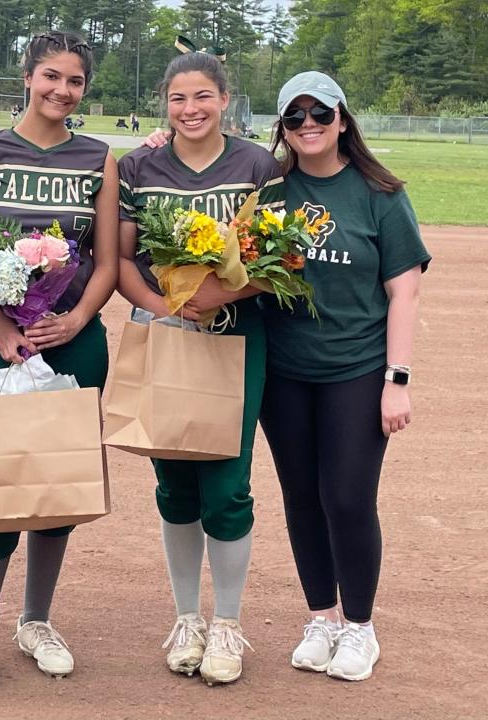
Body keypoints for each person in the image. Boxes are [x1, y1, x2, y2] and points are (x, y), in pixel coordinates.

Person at [0, 29, 118, 693]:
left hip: (73, 339)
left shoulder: (98, 157)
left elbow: (106, 259)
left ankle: (36, 621)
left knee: (56, 487)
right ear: (28, 76)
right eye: (51, 76)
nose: (62, 91)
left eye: (75, 81)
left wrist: (74, 318)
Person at [258, 71, 430, 682]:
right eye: (295, 116)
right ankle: (322, 619)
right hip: (284, 373)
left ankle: (360, 627)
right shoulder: (270, 191)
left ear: (343, 119)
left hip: (356, 369)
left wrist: (398, 377)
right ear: (282, 127)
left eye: (320, 113)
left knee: (348, 498)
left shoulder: (379, 193)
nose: (308, 125)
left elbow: (403, 291)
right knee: (302, 498)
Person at [119, 48, 284, 686]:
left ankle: (229, 624)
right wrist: (168, 306)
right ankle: (188, 616)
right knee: (174, 484)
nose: (190, 110)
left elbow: (278, 257)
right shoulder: (138, 165)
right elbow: (123, 260)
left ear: (224, 100)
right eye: (179, 99)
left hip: (237, 335)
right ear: (166, 103)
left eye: (203, 97)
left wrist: (221, 295)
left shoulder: (256, 164)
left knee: (227, 485)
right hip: (163, 332)